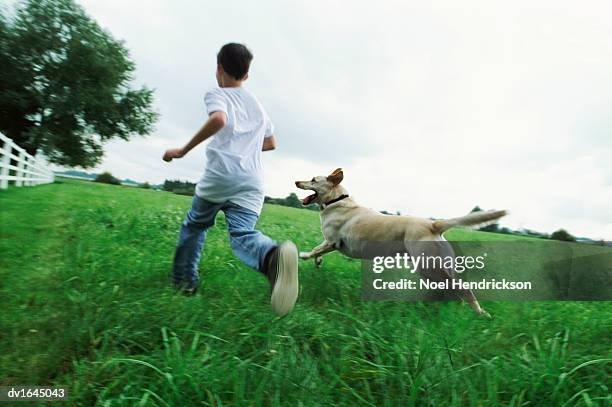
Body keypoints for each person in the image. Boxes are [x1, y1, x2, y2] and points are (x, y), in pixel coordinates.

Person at [162, 43, 298, 316]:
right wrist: (245, 145)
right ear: (246, 75)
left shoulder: (218, 93)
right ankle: (272, 256)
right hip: (252, 181)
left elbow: (219, 120)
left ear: (219, 68)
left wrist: (182, 150)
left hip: (221, 176)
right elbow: (271, 143)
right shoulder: (258, 107)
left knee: (195, 226)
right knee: (242, 233)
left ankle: (184, 284)